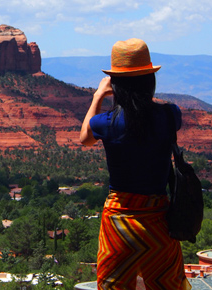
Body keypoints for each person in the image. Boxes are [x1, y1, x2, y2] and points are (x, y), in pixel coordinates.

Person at [80, 38, 191, 290]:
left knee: (113, 285)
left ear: (116, 84)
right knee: (168, 285)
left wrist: (98, 95)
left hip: (119, 224)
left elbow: (84, 138)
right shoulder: (169, 114)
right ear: (150, 80)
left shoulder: (106, 123)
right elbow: (154, 111)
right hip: (160, 222)